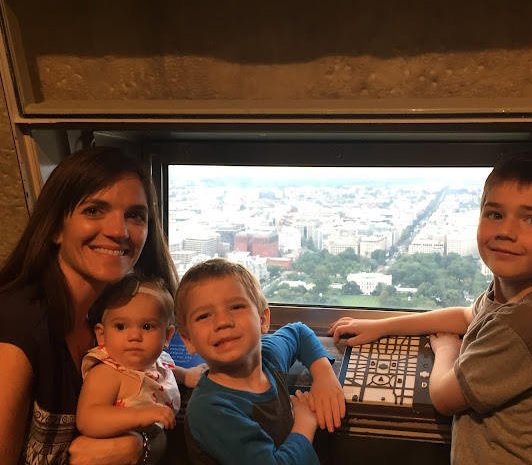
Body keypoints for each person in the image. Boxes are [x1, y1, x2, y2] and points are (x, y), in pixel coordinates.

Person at [328, 151, 532, 465]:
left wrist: (447, 350)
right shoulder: (517, 296)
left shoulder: (525, 324)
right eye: (495, 214)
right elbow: (466, 317)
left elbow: (444, 397)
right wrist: (381, 325)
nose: (506, 230)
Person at [0, 146, 179, 465]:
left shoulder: (115, 310)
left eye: (135, 215)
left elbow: (151, 426)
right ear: (55, 227)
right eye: (94, 210)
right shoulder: (15, 326)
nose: (119, 231)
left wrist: (140, 447)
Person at [175, 258, 346, 465]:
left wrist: (324, 376)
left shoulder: (270, 356)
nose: (222, 322)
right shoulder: (210, 411)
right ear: (188, 340)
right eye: (203, 316)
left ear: (263, 320)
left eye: (236, 307)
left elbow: (298, 332)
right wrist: (305, 424)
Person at [77, 275, 184, 439]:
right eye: (121, 326)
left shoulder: (156, 361)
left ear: (167, 337)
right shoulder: (107, 373)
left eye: (147, 326)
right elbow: (87, 419)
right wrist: (139, 415)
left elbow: (166, 371)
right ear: (102, 335)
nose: (134, 336)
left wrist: (188, 376)